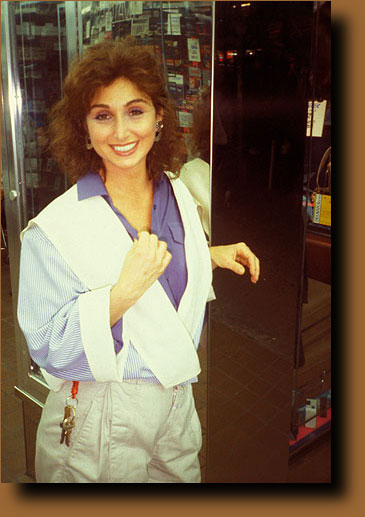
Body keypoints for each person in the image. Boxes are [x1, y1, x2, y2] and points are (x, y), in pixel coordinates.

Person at [17, 38, 260, 483]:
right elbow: (47, 347)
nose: (122, 133)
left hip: (177, 401)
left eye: (135, 111)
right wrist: (122, 292)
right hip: (101, 413)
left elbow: (163, 280)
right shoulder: (54, 230)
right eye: (103, 116)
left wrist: (206, 257)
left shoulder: (177, 192)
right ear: (84, 128)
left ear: (159, 116)